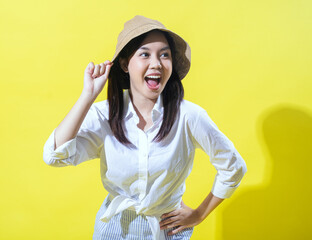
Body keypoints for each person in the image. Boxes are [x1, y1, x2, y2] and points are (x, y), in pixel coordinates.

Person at [43, 15, 247, 240]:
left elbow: (233, 166)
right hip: (113, 229)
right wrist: (87, 97)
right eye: (145, 54)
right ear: (124, 64)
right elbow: (54, 156)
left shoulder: (189, 116)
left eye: (164, 55)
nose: (156, 63)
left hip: (167, 230)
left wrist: (199, 214)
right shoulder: (105, 114)